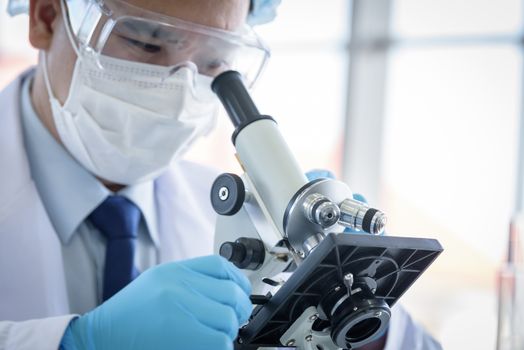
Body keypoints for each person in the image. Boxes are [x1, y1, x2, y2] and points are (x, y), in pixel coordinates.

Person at [0, 0, 441, 349]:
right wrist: (72, 345)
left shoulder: (242, 216)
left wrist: (344, 294)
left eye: (214, 61)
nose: (178, 89)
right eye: (146, 43)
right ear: (46, 16)